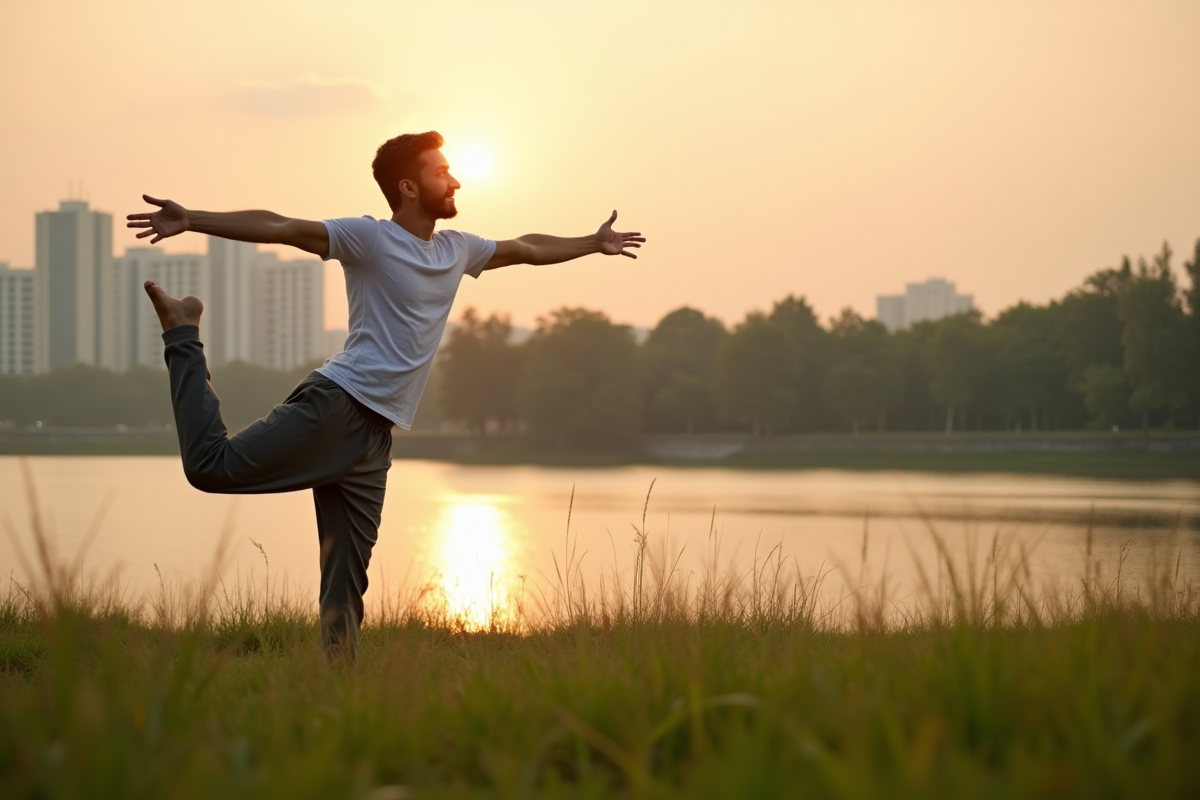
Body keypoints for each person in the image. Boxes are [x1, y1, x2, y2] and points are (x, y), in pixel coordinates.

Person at [127, 131, 645, 660]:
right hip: (339, 405)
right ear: (409, 186)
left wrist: (591, 242)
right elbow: (283, 227)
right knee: (210, 467)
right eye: (441, 171)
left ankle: (342, 701)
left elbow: (526, 248)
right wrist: (192, 218)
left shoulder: (455, 249)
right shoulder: (370, 239)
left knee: (345, 590)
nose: (455, 179)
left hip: (375, 441)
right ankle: (182, 331)